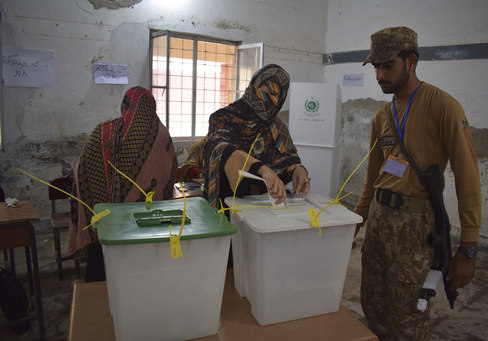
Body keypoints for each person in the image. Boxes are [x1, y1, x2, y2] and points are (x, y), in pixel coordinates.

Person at [354, 27, 481, 340]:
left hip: (416, 226)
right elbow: (373, 176)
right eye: (376, 67)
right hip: (379, 221)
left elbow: (468, 178)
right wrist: (357, 219)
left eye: (388, 65)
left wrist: (469, 248)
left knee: (410, 314)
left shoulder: (443, 107)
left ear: (411, 61)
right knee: (374, 304)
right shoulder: (382, 115)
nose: (380, 74)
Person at [68, 86, 179, 282]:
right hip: (150, 226)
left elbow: (83, 171)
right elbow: (170, 179)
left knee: (104, 282)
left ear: (125, 106)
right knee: (144, 281)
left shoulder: (105, 132)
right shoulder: (163, 137)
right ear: (152, 106)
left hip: (109, 226)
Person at [203, 64, 310, 208]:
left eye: (278, 97)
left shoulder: (276, 125)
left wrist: (298, 169)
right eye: (269, 92)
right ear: (254, 86)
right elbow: (220, 147)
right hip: (230, 204)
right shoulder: (223, 117)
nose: (273, 101)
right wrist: (261, 169)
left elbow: (288, 157)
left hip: (267, 205)